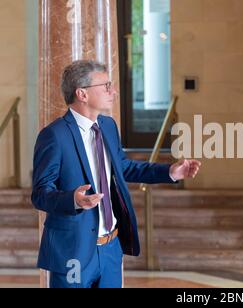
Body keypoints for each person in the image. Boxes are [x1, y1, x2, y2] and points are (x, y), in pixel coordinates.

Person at [31, 60, 201, 288]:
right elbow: (41, 193)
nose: (114, 91)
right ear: (82, 93)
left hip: (111, 248)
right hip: (73, 251)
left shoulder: (108, 126)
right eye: (106, 85)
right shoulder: (54, 136)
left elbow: (123, 167)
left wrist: (170, 171)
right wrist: (73, 200)